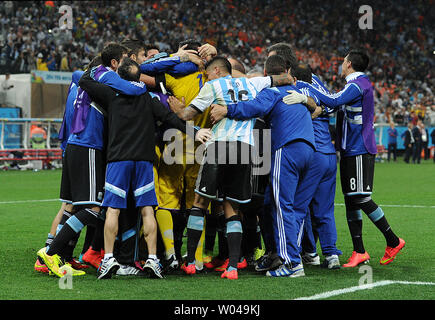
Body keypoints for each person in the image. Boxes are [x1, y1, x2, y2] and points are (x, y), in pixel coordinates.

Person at [77, 57, 211, 279]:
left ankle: (109, 258)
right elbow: (171, 118)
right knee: (148, 210)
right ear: (139, 77)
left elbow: (84, 79)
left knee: (113, 209)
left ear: (119, 77)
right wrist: (196, 131)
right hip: (144, 160)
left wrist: (105, 71)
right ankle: (153, 259)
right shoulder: (148, 99)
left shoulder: (111, 94)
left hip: (118, 159)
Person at [284, 49, 405, 267]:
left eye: (343, 62)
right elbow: (333, 106)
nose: (341, 65)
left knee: (361, 198)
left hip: (360, 148)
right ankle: (359, 251)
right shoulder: (355, 85)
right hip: (348, 148)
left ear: (348, 64)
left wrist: (305, 86)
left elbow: (333, 100)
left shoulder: (358, 84)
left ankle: (393, 240)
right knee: (351, 200)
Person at [37, 43, 148, 278]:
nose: (130, 63)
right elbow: (129, 89)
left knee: (72, 205)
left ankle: (60, 257)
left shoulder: (83, 80)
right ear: (114, 63)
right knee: (94, 208)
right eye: (127, 59)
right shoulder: (105, 77)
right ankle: (50, 251)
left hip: (74, 144)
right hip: (88, 146)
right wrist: (141, 84)